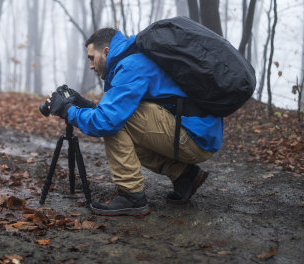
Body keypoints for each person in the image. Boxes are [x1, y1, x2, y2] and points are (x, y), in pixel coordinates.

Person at [46, 27, 223, 216]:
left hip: (194, 136)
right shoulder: (133, 58)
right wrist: (81, 104)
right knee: (119, 118)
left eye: (91, 57)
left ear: (106, 51)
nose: (91, 65)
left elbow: (106, 121)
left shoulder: (132, 65)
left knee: (117, 122)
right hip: (197, 132)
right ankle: (184, 176)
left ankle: (131, 196)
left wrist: (67, 109)